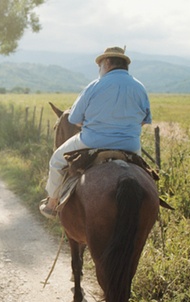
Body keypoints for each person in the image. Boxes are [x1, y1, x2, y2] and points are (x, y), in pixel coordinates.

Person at [40, 46, 152, 218]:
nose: (100, 70)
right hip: (130, 145)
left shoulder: (94, 86)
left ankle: (52, 203)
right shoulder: (140, 87)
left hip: (92, 141)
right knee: (146, 175)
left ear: (106, 63)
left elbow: (74, 119)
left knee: (56, 160)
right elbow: (145, 120)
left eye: (100, 66)